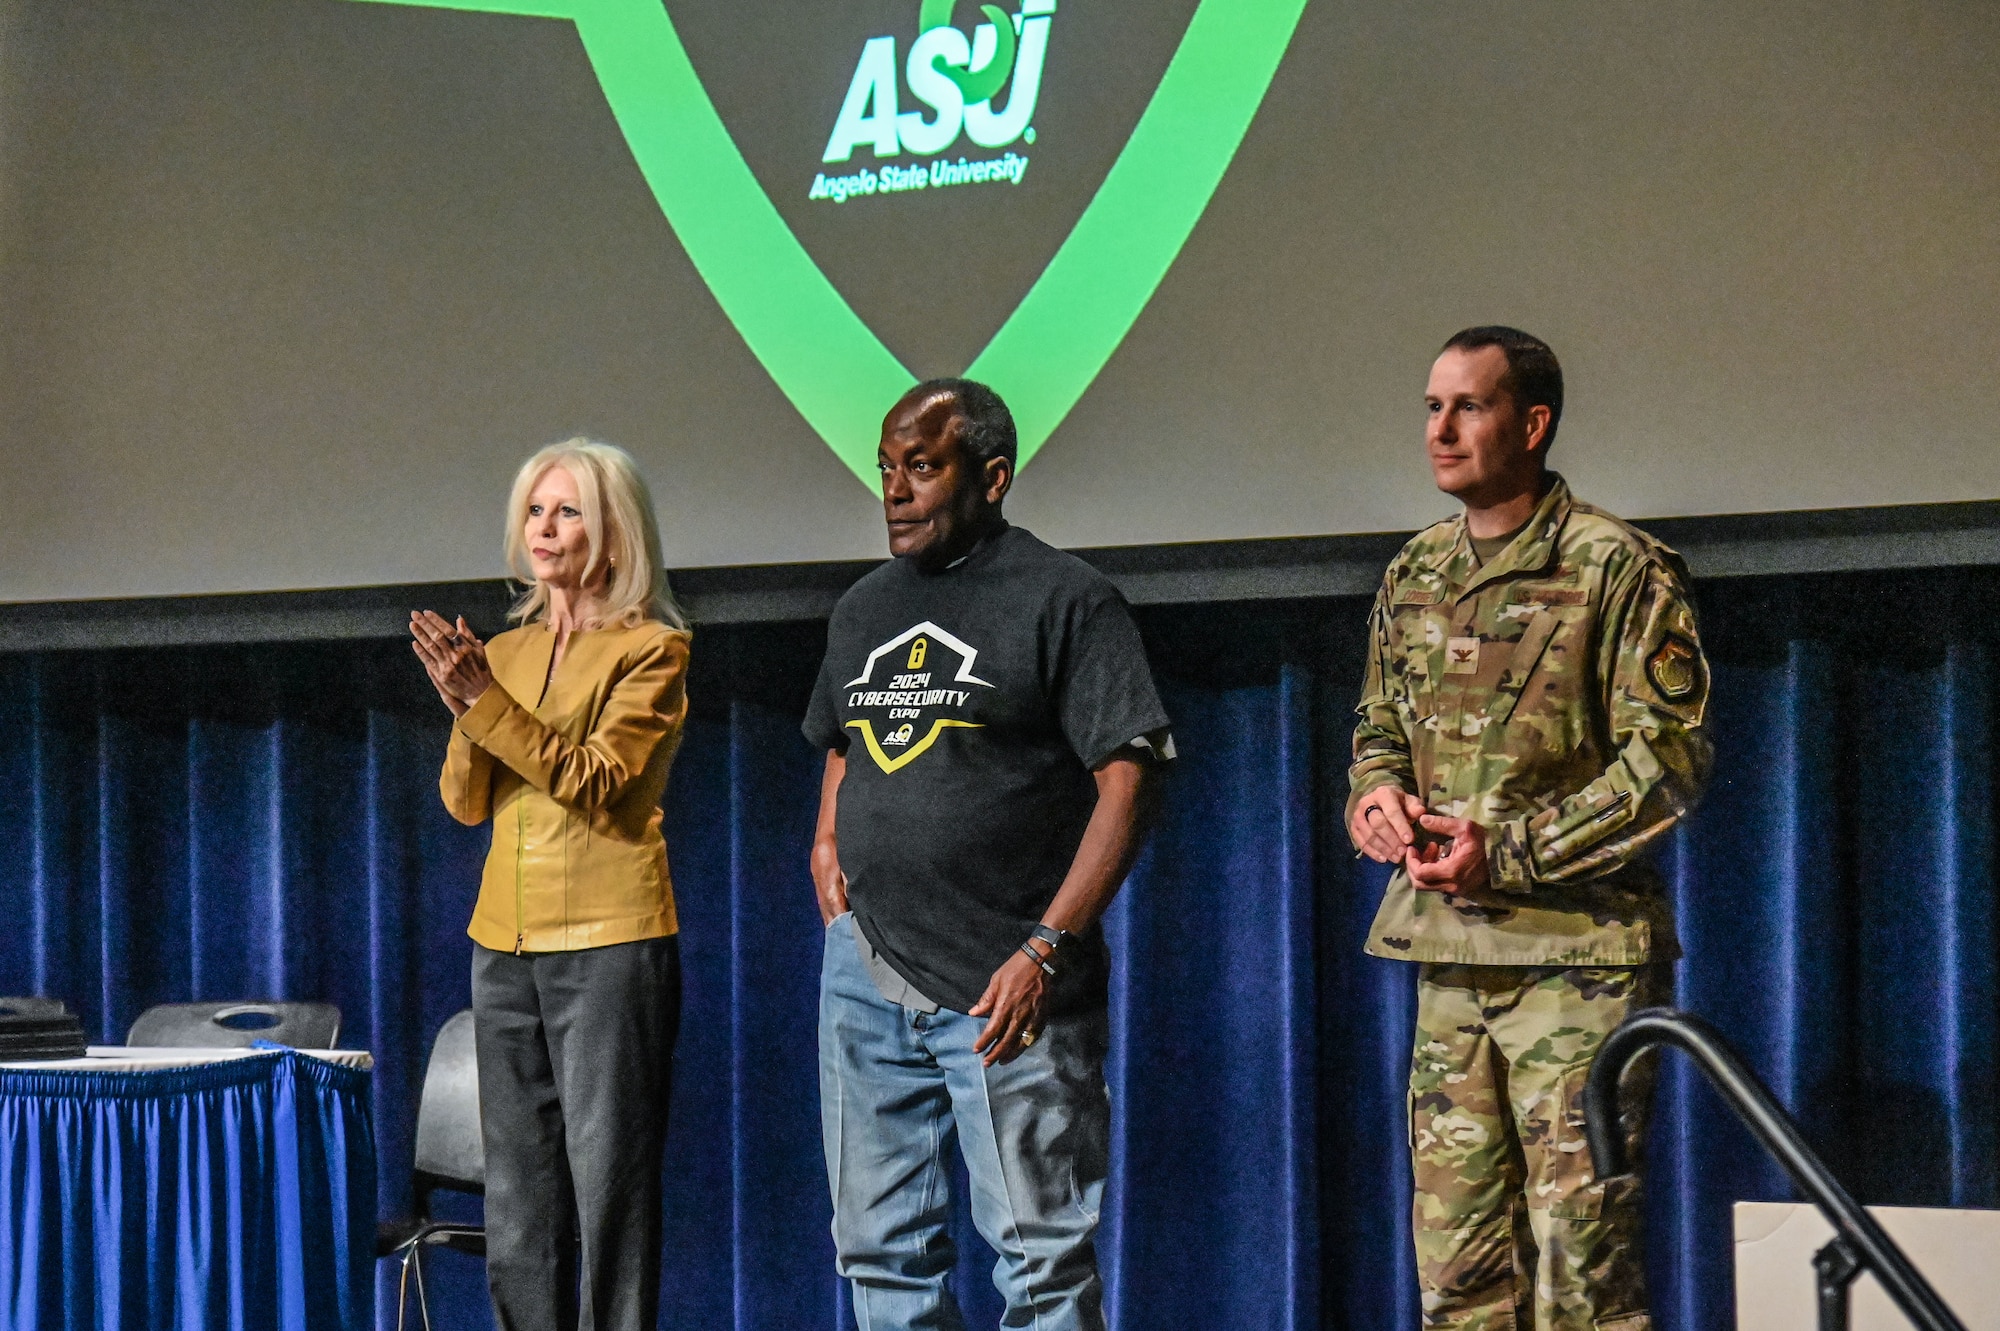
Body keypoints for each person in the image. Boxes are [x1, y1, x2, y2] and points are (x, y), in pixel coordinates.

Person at [1347, 328, 1713, 1331]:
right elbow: (1377, 724)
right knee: (1457, 1278)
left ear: (1532, 422)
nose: (1440, 428)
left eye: (1465, 405)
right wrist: (1372, 795)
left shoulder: (1615, 566)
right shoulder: (1413, 570)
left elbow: (1668, 762)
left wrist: (1503, 850)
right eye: (1430, 407)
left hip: (1574, 964)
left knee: (1579, 1276)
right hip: (1448, 959)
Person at [805, 379, 1173, 1331]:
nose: (894, 489)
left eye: (921, 467)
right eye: (886, 468)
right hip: (869, 972)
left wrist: (1047, 946)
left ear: (993, 477)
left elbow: (1129, 783)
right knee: (879, 1254)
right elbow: (846, 740)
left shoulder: (1067, 599)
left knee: (1039, 1259)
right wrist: (826, 839)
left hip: (1008, 985)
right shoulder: (862, 607)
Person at [409, 439, 691, 1331]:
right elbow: (464, 801)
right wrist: (468, 703)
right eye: (536, 509)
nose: (546, 526)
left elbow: (602, 779)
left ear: (613, 529)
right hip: (505, 948)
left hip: (609, 944)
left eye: (567, 510)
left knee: (611, 1194)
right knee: (519, 1198)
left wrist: (484, 703)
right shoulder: (506, 649)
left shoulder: (652, 649)